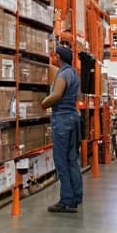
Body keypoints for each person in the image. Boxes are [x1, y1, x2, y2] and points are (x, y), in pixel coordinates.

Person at [40, 45, 82, 213]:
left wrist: (44, 103)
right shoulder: (73, 73)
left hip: (62, 119)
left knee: (61, 161)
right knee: (72, 159)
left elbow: (56, 95)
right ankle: (76, 197)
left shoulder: (63, 74)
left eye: (54, 55)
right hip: (73, 117)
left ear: (58, 57)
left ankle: (66, 200)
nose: (52, 58)